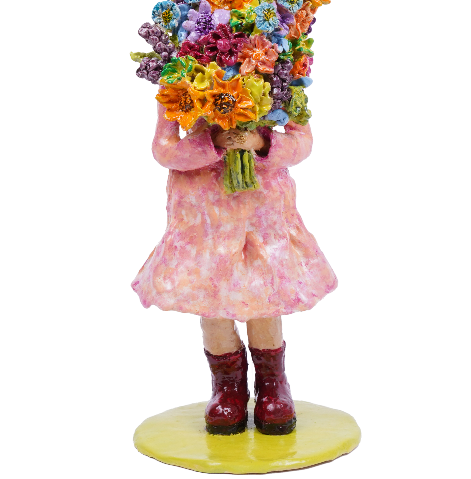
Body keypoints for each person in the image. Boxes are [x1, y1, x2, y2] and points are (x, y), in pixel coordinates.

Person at [131, 101, 339, 434]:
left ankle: (272, 382)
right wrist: (212, 143)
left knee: (264, 293)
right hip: (205, 212)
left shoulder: (281, 80)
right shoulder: (178, 84)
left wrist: (261, 142)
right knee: (212, 298)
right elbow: (164, 150)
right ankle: (227, 385)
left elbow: (302, 141)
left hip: (262, 208)